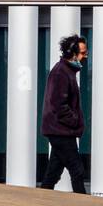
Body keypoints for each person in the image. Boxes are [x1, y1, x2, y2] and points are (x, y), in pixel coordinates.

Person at [40, 34, 88, 194]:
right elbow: (58, 104)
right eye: (82, 52)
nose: (85, 55)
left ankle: (41, 202)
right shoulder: (61, 73)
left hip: (60, 130)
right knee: (77, 170)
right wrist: (75, 121)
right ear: (72, 53)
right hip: (61, 131)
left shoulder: (66, 71)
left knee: (53, 172)